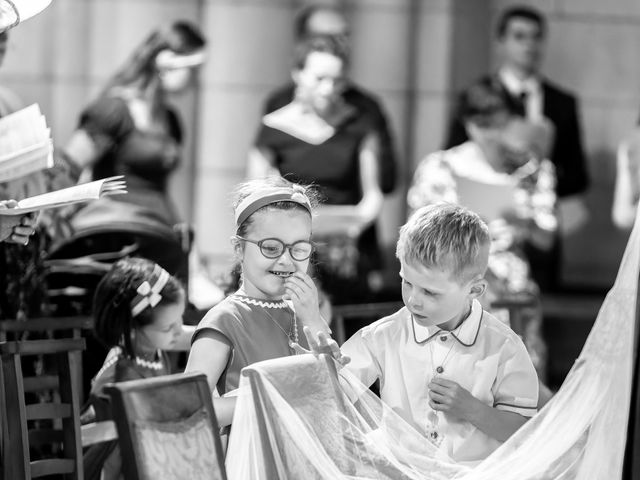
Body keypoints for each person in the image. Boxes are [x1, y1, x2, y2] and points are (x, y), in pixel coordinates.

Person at [302, 204, 539, 466]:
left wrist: (472, 409)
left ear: (475, 290)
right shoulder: (382, 336)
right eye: (407, 282)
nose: (413, 300)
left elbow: (524, 431)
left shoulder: (503, 346)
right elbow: (333, 392)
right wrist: (325, 354)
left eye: (430, 292)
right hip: (399, 471)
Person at [408, 78, 555, 377]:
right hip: (451, 287)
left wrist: (521, 223)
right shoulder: (440, 167)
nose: (489, 133)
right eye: (480, 124)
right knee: (453, 379)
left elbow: (547, 238)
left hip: (510, 291)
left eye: (497, 123)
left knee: (515, 383)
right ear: (467, 123)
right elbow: (414, 238)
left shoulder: (531, 169)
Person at [444, 6, 588, 291]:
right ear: (501, 42)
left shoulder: (562, 102)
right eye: (519, 36)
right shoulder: (477, 98)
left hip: (536, 233)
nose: (529, 46)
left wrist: (535, 173)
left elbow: (578, 175)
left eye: (535, 37)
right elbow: (453, 155)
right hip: (479, 235)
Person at [185, 177, 333, 428]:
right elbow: (190, 406)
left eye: (299, 249)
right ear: (239, 249)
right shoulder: (226, 319)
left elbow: (331, 393)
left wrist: (313, 320)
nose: (286, 260)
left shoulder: (304, 313)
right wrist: (270, 399)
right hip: (252, 456)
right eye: (272, 248)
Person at [248, 35, 384, 304]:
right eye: (320, 79)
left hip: (347, 252)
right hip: (289, 252)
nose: (328, 89)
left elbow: (373, 195)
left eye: (337, 80)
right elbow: (257, 192)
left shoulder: (360, 125)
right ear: (298, 74)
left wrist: (354, 225)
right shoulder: (273, 128)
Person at [263, 4, 397, 195]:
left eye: (343, 36)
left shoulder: (366, 108)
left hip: (351, 221)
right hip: (295, 218)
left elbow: (386, 181)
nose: (336, 44)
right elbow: (263, 183)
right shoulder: (278, 105)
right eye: (323, 37)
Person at [83, 257, 194, 480]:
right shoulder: (120, 372)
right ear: (134, 329)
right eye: (168, 327)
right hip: (119, 466)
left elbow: (197, 334)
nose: (177, 331)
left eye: (179, 320)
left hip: (151, 455)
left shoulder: (152, 348)